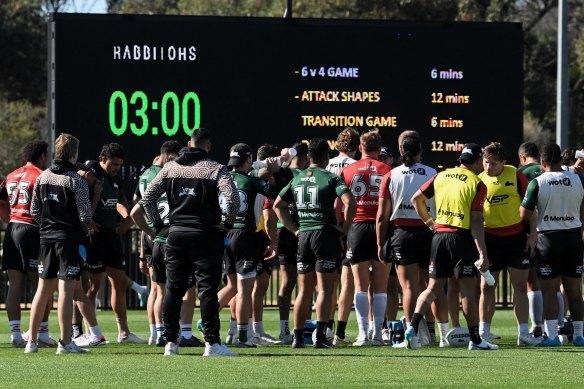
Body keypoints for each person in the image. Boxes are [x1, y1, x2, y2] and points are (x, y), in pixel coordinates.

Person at [142, 128, 240, 356]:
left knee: (173, 289)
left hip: (175, 234)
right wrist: (227, 223)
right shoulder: (215, 168)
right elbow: (233, 199)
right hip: (206, 234)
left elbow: (148, 198)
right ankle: (212, 343)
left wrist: (160, 226)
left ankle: (170, 343)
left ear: (189, 143)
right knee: (207, 290)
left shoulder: (170, 168)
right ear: (208, 146)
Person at [407, 143, 498, 350]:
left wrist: (430, 223)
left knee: (432, 288)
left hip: (439, 236)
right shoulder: (477, 183)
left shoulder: (442, 175)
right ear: (476, 162)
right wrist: (483, 253)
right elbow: (476, 222)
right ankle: (475, 341)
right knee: (467, 290)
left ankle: (411, 328)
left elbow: (416, 200)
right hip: (460, 238)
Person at [274, 138, 356, 349]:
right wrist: (345, 229)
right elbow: (350, 202)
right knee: (325, 290)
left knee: (303, 290)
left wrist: (295, 229)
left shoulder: (297, 178)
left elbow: (278, 206)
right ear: (327, 156)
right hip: (324, 235)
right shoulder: (330, 177)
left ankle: (297, 337)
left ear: (308, 156)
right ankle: (320, 337)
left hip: (304, 237)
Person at [131, 140, 204, 348]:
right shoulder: (171, 180)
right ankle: (185, 334)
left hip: (155, 236)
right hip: (173, 236)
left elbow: (137, 207)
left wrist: (149, 233)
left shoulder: (147, 175)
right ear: (172, 157)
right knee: (186, 289)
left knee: (158, 289)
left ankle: (158, 333)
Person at [25, 133, 92, 354]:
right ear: (74, 154)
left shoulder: (43, 177)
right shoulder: (76, 180)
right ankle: (65, 343)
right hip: (68, 239)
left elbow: (34, 210)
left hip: (46, 238)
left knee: (42, 290)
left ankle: (31, 342)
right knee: (66, 289)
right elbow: (85, 215)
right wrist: (85, 229)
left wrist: (46, 226)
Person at [377, 132, 440, 345]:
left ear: (401, 151)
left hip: (402, 234)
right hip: (430, 231)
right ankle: (431, 332)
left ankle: (412, 334)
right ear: (420, 151)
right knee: (430, 285)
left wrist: (379, 243)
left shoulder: (392, 175)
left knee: (409, 287)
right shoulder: (433, 173)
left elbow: (381, 216)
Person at [520, 143, 584, 347]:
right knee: (575, 291)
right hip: (573, 237)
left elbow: (524, 214)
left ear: (542, 162)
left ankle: (552, 336)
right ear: (559, 160)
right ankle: (580, 335)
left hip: (548, 239)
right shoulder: (577, 179)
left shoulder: (538, 182)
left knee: (550, 290)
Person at [216, 143, 278, 348]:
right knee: (244, 289)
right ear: (247, 160)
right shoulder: (249, 180)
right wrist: (272, 172)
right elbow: (273, 191)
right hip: (245, 234)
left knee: (231, 285)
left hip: (224, 233)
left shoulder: (221, 179)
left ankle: (209, 322)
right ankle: (244, 336)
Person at [478, 142, 540, 346]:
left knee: (520, 286)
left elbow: (531, 207)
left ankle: (523, 333)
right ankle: (483, 331)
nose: (488, 167)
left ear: (504, 162)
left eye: (493, 163)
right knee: (487, 286)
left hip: (515, 238)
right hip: (490, 239)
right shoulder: (478, 180)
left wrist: (532, 235)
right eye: (486, 162)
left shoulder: (515, 175)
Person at [85, 143, 147, 344]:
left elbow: (121, 202)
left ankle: (124, 333)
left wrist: (127, 219)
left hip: (112, 237)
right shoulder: (92, 172)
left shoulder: (116, 180)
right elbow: (79, 190)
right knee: (93, 286)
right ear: (103, 159)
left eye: (119, 165)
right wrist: (86, 219)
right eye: (113, 164)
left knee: (119, 282)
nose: (116, 168)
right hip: (95, 238)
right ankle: (89, 332)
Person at [0, 140, 57, 348]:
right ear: (41, 155)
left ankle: (15, 335)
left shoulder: (11, 175)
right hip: (30, 230)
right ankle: (42, 333)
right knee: (42, 283)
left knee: (14, 285)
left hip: (12, 228)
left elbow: (1, 202)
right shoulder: (41, 176)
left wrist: (10, 220)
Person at [339, 129, 392, 346]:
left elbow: (338, 205)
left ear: (360, 148)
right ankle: (378, 334)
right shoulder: (388, 170)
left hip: (357, 227)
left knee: (360, 285)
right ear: (379, 150)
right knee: (380, 286)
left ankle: (362, 334)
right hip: (382, 227)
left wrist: (342, 230)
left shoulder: (348, 169)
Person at [325, 127, 359, 345]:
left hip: (327, 223)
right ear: (357, 147)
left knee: (328, 280)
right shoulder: (353, 166)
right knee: (347, 280)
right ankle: (340, 332)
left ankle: (326, 327)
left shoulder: (329, 164)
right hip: (348, 224)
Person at [274, 142, 309, 343]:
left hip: (286, 230)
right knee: (305, 281)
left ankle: (286, 328)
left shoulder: (284, 172)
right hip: (298, 229)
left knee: (289, 282)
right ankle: (294, 328)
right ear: (305, 157)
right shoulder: (293, 174)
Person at [517, 142, 544, 338]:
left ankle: (536, 327)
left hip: (528, 233)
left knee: (532, 282)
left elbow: (523, 209)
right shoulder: (549, 169)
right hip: (556, 231)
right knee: (553, 283)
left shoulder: (519, 173)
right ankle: (559, 327)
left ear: (522, 157)